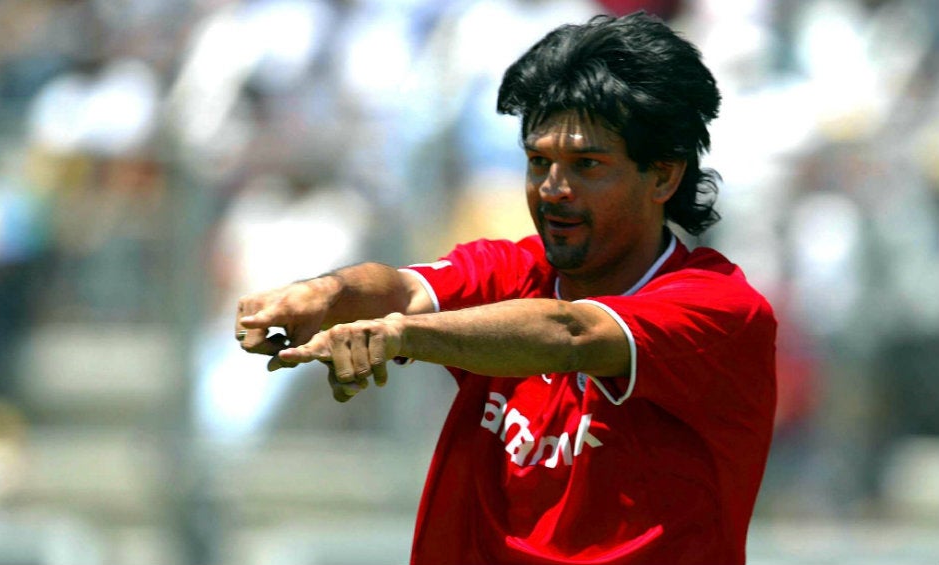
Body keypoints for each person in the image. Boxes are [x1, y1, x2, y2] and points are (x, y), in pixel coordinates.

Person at [235, 11, 776, 565]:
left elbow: (570, 333)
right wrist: (321, 296)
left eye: (587, 164)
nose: (553, 188)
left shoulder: (720, 309)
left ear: (663, 175)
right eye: (539, 161)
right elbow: (398, 288)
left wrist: (399, 336)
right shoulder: (514, 270)